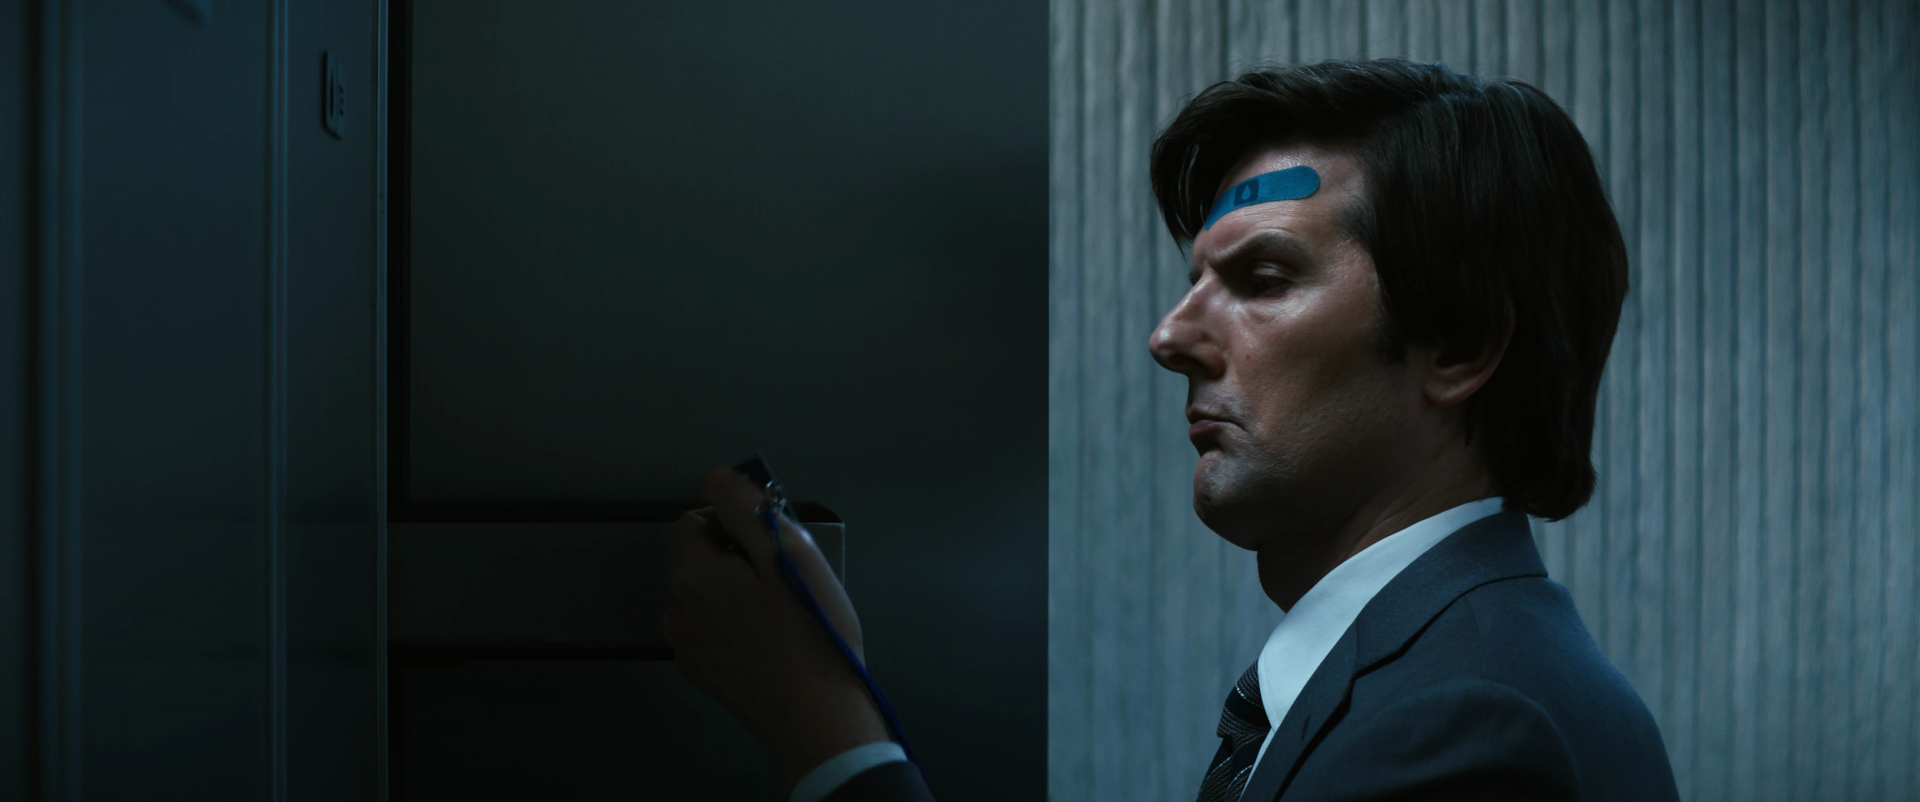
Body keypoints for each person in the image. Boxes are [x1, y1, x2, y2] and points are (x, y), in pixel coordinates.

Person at [664, 58, 1681, 802]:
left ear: (1456, 344)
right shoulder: (1431, 674)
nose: (1169, 338)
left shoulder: (1468, 725)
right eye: (1194, 279)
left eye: (1263, 278)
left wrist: (829, 734)